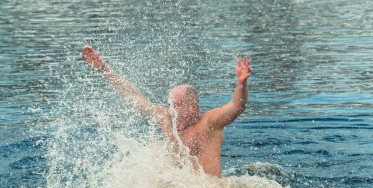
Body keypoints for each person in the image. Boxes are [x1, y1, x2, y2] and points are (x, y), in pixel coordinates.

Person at [82, 45, 251, 177]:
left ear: (192, 107)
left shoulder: (209, 123)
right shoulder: (166, 118)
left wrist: (241, 84)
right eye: (169, 104)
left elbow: (237, 107)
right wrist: (105, 69)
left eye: (176, 105)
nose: (171, 110)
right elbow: (134, 98)